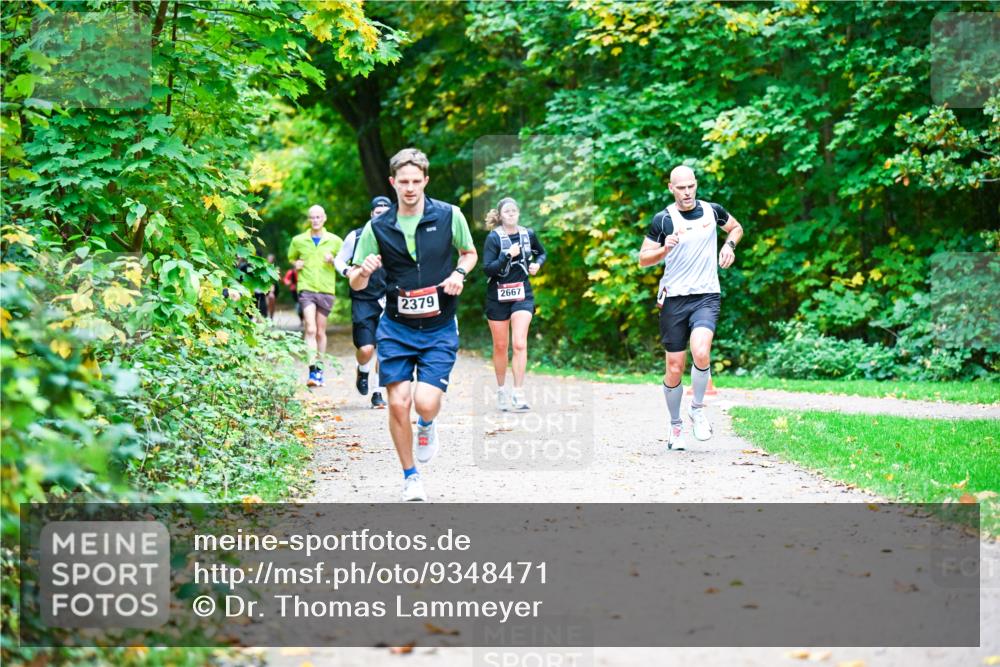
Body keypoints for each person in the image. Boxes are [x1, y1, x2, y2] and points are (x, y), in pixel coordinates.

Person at [349, 148, 478, 502]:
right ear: (392, 183)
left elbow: (469, 253)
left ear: (425, 181)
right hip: (396, 326)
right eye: (402, 182)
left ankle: (427, 425)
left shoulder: (450, 215)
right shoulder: (377, 227)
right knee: (398, 402)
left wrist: (459, 273)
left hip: (439, 326)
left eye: (415, 181)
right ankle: (411, 477)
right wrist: (364, 270)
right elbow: (356, 284)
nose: (409, 188)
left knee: (425, 403)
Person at [638, 165, 744, 450]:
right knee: (674, 368)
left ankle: (697, 408)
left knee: (701, 351)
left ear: (696, 185)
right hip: (674, 299)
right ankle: (675, 426)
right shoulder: (663, 220)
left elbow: (736, 227)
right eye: (681, 188)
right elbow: (643, 259)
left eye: (691, 186)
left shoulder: (712, 211)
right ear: (671, 188)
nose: (687, 192)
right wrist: (663, 250)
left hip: (706, 295)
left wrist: (729, 246)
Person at [481, 197, 547, 411]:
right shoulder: (494, 238)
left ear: (518, 213)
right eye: (506, 211)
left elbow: (542, 253)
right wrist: (507, 255)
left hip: (522, 294)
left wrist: (537, 264)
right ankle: (501, 390)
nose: (511, 214)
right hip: (497, 296)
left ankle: (518, 393)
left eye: (514, 211)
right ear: (500, 216)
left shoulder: (528, 234)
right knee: (501, 346)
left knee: (519, 343)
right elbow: (488, 269)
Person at [335, 195, 392, 409]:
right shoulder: (357, 236)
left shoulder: (397, 238)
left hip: (390, 299)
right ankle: (363, 369)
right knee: (367, 348)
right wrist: (347, 270)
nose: (382, 217)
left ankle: (378, 393)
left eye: (386, 214)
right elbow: (340, 259)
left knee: (386, 348)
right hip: (364, 299)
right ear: (371, 214)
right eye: (378, 213)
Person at [288, 205, 343, 387]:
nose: (315, 220)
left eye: (318, 217)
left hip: (326, 290)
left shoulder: (335, 241)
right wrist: (296, 264)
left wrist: (334, 260)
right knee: (310, 329)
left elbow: (345, 262)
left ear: (324, 218)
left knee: (320, 331)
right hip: (307, 289)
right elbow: (291, 258)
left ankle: (320, 370)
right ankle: (312, 371)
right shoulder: (298, 240)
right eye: (312, 217)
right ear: (309, 219)